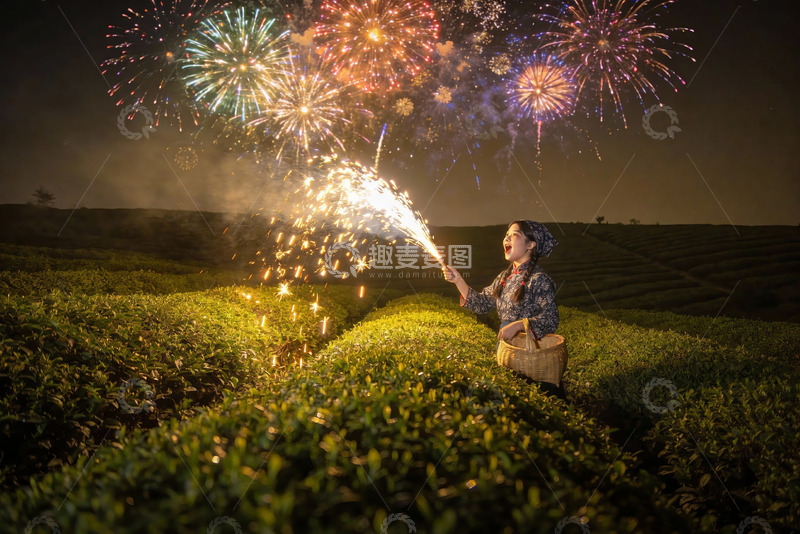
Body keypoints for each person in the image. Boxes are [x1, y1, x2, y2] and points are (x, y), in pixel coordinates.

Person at [442, 220, 565, 400]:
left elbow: (551, 319)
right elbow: (483, 303)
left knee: (528, 400)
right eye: (507, 234)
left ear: (531, 244)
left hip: (529, 355)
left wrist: (518, 326)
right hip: (507, 350)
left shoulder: (539, 279)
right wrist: (458, 280)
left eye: (514, 234)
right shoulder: (504, 277)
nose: (506, 238)